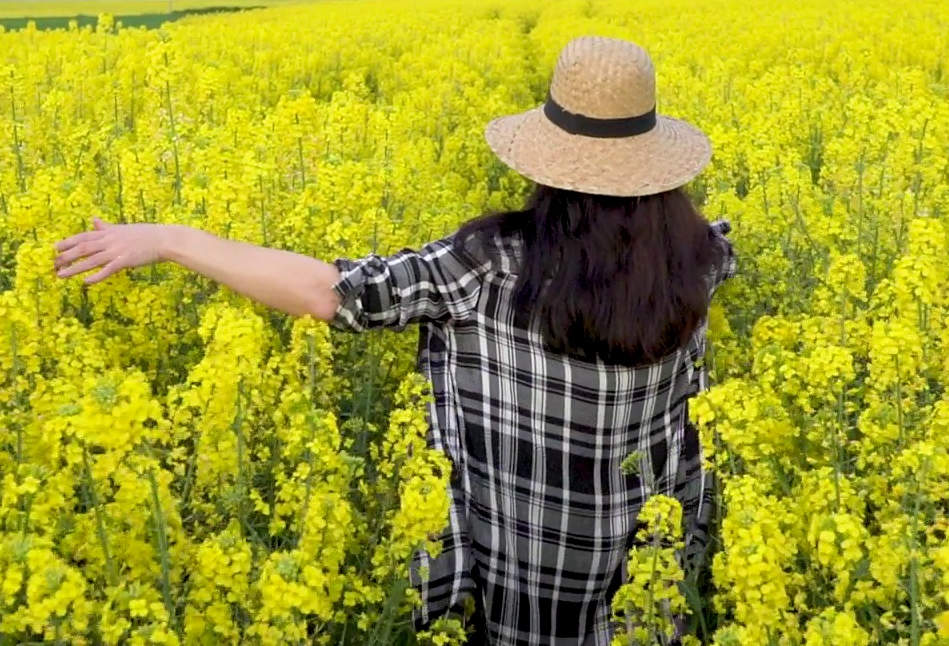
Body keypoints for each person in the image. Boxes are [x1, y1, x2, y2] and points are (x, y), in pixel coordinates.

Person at [54, 35, 736, 645]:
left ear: (546, 160)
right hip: (644, 567)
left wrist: (174, 240)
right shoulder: (699, 262)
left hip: (518, 571)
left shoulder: (492, 263)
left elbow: (334, 291)